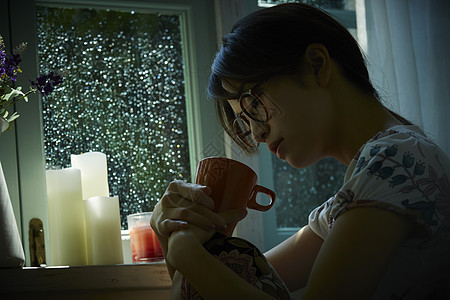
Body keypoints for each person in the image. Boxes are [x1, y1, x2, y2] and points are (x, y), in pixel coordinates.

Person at [150, 3, 450, 299]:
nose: (256, 134)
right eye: (243, 121)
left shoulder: (394, 162)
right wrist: (177, 236)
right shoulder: (364, 191)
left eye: (255, 103)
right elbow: (217, 288)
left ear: (316, 65)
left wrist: (188, 254)